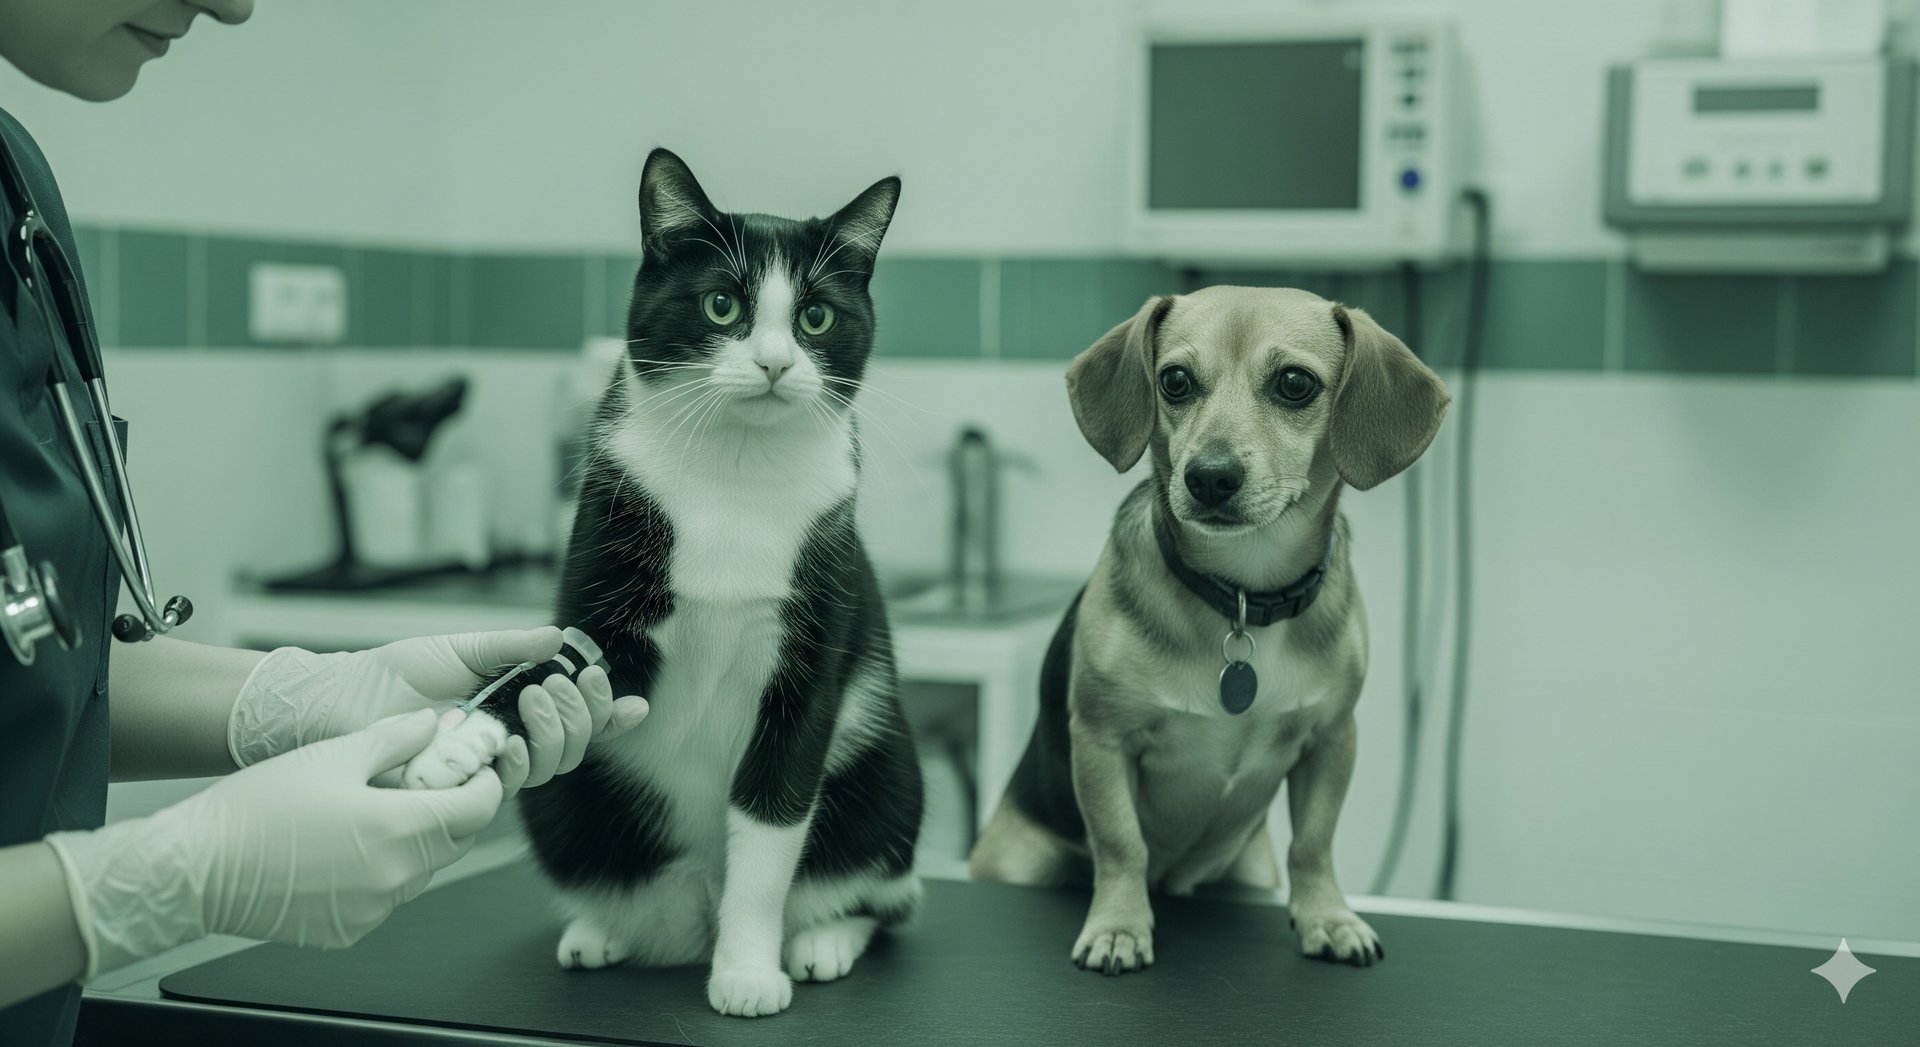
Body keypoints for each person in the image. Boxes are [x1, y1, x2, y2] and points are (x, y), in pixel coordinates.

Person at [0, 3, 650, 1043]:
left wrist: (312, 696)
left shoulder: (14, 190)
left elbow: (31, 666)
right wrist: (153, 882)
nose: (234, 4)